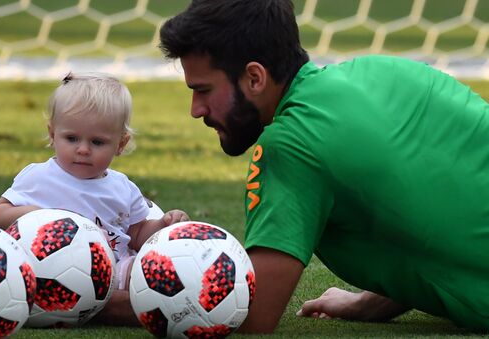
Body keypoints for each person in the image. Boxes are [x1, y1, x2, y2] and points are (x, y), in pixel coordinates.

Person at [158, 0, 489, 334]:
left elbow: (251, 314)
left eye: (203, 90)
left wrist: (109, 301)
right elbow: (435, 211)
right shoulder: (388, 72)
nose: (196, 109)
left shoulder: (291, 145)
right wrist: (374, 301)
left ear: (255, 78)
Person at [0, 72, 189, 325]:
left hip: (114, 272)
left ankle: (141, 305)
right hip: (54, 271)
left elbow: (137, 233)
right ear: (52, 134)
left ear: (120, 144)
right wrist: (35, 215)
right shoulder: (39, 177)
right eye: (71, 138)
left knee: (154, 272)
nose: (83, 149)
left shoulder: (121, 187)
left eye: (97, 142)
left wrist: (165, 226)